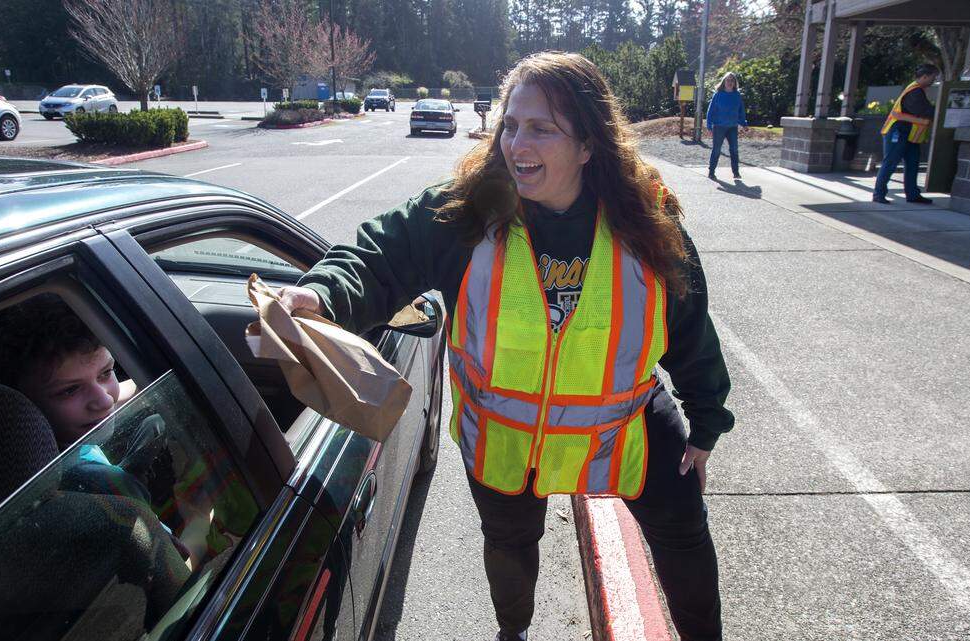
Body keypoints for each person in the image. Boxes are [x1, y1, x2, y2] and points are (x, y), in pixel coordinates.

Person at [278, 52, 734, 641]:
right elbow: (378, 256)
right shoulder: (468, 213)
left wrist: (704, 427)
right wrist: (321, 294)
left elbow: (692, 330)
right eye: (511, 125)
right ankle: (512, 632)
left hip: (623, 428)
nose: (519, 142)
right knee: (511, 546)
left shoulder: (647, 221)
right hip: (504, 439)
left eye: (542, 128)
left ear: (589, 145)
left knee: (686, 537)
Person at [0, 293, 137, 450]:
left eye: (105, 373)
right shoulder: (98, 481)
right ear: (13, 399)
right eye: (70, 390)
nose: (105, 401)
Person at [873, 64, 939, 204]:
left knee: (912, 163)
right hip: (897, 131)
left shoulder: (916, 89)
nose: (934, 80)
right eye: (933, 77)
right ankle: (879, 194)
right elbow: (925, 111)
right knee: (890, 162)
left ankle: (913, 194)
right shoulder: (915, 92)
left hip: (910, 133)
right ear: (925, 76)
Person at [705, 72, 749, 180]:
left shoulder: (737, 95)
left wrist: (744, 124)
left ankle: (736, 172)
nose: (730, 82)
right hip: (719, 126)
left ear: (735, 83)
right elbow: (710, 111)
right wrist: (709, 126)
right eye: (728, 80)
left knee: (734, 150)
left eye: (732, 80)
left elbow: (741, 111)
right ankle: (711, 171)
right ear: (724, 82)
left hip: (732, 127)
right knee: (716, 150)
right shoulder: (718, 95)